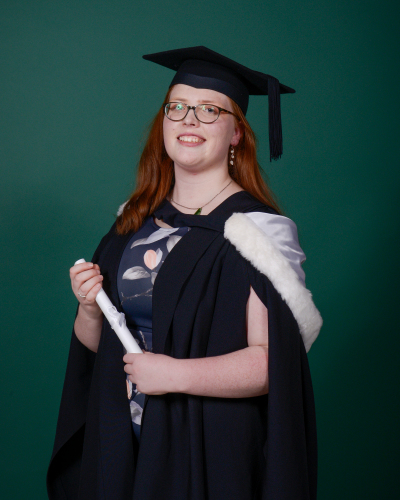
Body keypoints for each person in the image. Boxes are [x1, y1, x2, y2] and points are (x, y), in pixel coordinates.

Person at [47, 46, 322, 500]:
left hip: (207, 448)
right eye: (176, 107)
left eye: (209, 110)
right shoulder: (133, 222)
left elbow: (272, 362)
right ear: (164, 123)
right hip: (123, 443)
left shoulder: (257, 234)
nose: (188, 119)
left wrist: (175, 375)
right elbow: (105, 349)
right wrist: (89, 309)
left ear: (237, 133)